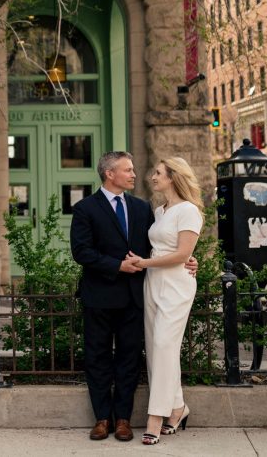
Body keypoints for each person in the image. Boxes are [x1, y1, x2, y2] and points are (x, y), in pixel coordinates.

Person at [69, 151, 197, 442]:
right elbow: (82, 252)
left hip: (136, 297)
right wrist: (117, 265)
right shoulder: (86, 208)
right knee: (98, 357)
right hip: (99, 296)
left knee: (129, 359)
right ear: (109, 174)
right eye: (127, 170)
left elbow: (161, 245)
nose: (134, 175)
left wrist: (190, 259)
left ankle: (124, 420)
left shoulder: (143, 208)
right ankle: (103, 418)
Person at [126, 157, 204, 446]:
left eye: (158, 173)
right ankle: (177, 408)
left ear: (173, 177)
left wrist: (144, 262)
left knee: (163, 345)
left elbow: (183, 254)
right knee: (158, 349)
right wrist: (147, 264)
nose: (152, 177)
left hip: (176, 285)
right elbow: (163, 246)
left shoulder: (189, 211)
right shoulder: (160, 211)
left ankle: (155, 419)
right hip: (153, 284)